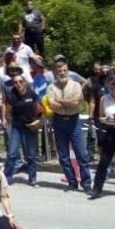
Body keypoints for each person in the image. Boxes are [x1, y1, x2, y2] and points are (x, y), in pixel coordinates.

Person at [46, 61, 90, 192]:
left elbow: (76, 103)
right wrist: (68, 102)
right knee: (63, 155)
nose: (62, 73)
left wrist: (60, 101)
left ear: (68, 71)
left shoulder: (76, 85)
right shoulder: (51, 87)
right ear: (56, 72)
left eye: (64, 70)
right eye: (59, 71)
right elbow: (52, 105)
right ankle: (72, 182)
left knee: (81, 154)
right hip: (58, 122)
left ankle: (86, 183)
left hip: (73, 121)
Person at [2, 74, 41, 186]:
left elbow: (39, 108)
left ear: (24, 82)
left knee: (31, 155)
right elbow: (7, 108)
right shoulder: (11, 95)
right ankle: (6, 177)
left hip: (30, 126)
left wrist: (38, 120)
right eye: (15, 82)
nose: (18, 84)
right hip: (17, 126)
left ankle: (32, 178)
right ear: (13, 84)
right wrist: (4, 118)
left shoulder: (31, 93)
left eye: (20, 81)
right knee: (12, 153)